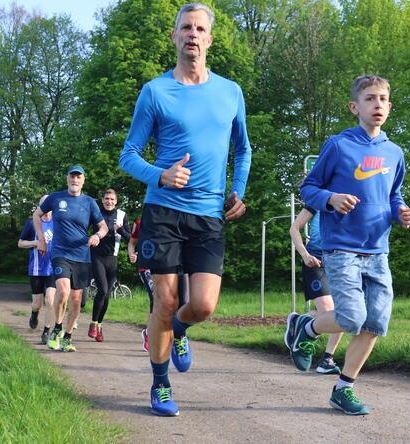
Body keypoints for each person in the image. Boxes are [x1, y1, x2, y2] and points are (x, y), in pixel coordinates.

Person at [119, 2, 252, 417]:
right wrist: (160, 175)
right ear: (174, 37)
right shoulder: (155, 91)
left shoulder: (230, 92)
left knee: (204, 306)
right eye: (185, 28)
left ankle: (179, 329)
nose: (192, 34)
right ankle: (160, 385)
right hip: (163, 212)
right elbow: (128, 155)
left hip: (209, 214)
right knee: (165, 300)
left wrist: (237, 190)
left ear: (210, 39)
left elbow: (243, 149)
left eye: (199, 28)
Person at [285, 75, 410, 415]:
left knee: (375, 324)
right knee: (352, 317)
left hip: (378, 250)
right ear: (354, 107)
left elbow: (393, 195)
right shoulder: (339, 145)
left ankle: (343, 389)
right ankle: (307, 326)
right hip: (341, 248)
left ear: (390, 106)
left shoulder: (395, 153)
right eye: (370, 99)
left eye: (383, 99)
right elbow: (309, 188)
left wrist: (400, 213)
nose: (378, 105)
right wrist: (331, 198)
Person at [33, 165, 107, 353]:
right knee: (63, 292)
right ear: (67, 179)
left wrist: (97, 236)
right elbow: (37, 214)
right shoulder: (56, 198)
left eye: (78, 177)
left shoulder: (90, 202)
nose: (75, 180)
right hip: (60, 253)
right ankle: (56, 327)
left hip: (82, 256)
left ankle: (67, 337)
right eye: (72, 177)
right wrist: (41, 238)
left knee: (76, 299)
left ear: (83, 180)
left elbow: (103, 227)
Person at [290, 206, 343, 374]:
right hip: (316, 261)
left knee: (344, 313)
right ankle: (304, 325)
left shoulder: (357, 197)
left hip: (342, 263)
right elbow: (294, 228)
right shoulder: (319, 198)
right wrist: (305, 255)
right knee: (329, 311)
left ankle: (327, 359)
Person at [127, 216, 190, 353]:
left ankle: (173, 335)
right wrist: (132, 255)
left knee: (178, 301)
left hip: (169, 265)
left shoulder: (177, 217)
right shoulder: (140, 221)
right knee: (157, 300)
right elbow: (132, 242)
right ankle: (150, 336)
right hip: (147, 267)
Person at [88, 189, 131, 342]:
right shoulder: (96, 213)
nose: (109, 201)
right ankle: (93, 323)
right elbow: (84, 229)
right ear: (102, 200)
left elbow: (130, 238)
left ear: (116, 201)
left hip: (112, 259)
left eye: (112, 199)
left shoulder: (122, 215)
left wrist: (120, 230)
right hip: (97, 256)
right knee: (103, 289)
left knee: (106, 296)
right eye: (107, 198)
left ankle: (99, 326)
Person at [18, 195, 57, 344]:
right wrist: (36, 242)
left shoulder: (57, 223)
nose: (47, 208)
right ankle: (34, 314)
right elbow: (20, 243)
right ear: (40, 206)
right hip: (36, 269)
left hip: (53, 268)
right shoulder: (31, 223)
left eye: (49, 205)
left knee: (51, 300)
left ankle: (47, 331)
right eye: (43, 205)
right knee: (37, 303)